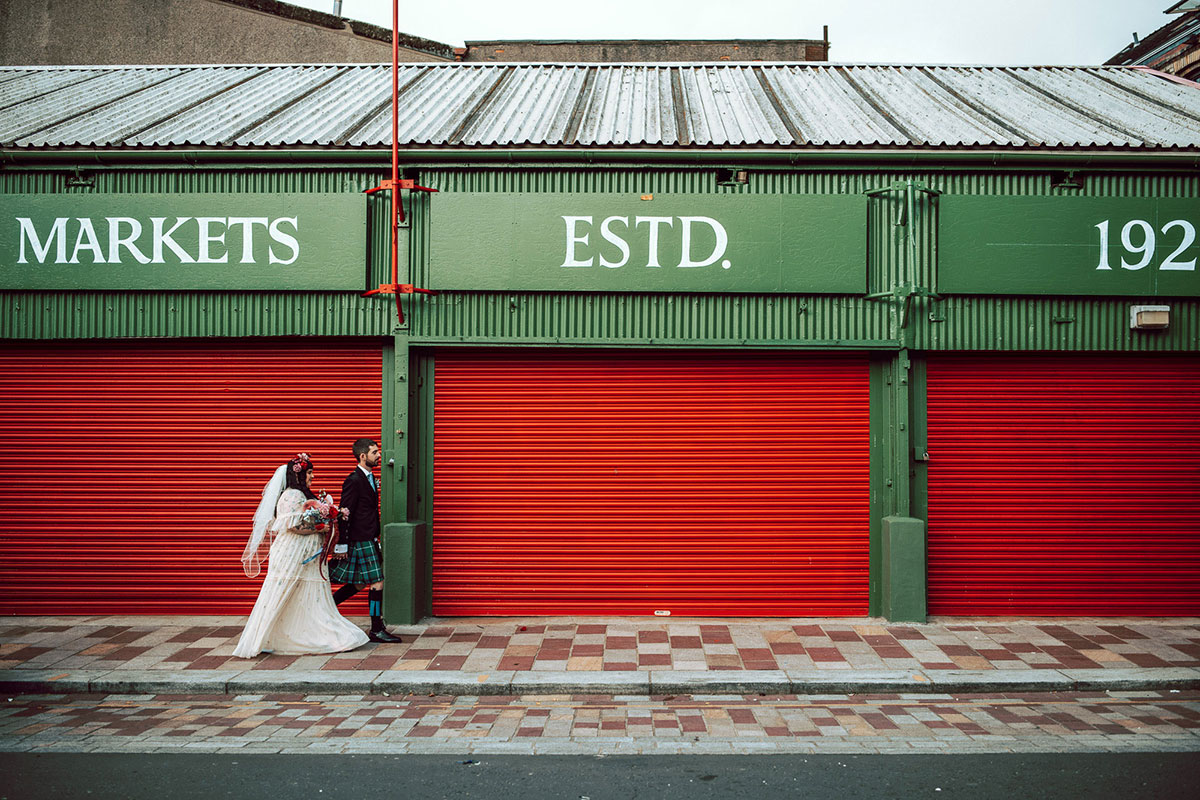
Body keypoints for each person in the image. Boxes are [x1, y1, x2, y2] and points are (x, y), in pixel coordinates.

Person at [232, 453, 369, 658]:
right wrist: (323, 526)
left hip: (306, 555)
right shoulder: (292, 495)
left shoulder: (302, 495)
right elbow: (293, 525)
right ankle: (268, 636)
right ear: (299, 475)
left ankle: (308, 633)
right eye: (309, 473)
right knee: (284, 591)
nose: (312, 477)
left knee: (304, 595)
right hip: (292, 554)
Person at [330, 438, 403, 643]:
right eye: (374, 452)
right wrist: (342, 544)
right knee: (377, 582)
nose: (379, 455)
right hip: (359, 538)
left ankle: (328, 607)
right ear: (363, 456)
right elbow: (346, 513)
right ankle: (376, 628)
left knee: (360, 583)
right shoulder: (353, 480)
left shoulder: (369, 478)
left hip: (368, 537)